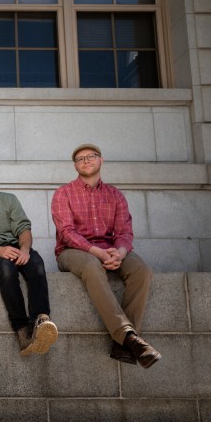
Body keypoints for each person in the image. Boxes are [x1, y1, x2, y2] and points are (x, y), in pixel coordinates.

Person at [51, 143, 161, 368]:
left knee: (141, 270)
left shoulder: (115, 195)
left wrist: (120, 252)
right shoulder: (63, 193)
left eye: (91, 156)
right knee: (92, 266)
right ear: (75, 166)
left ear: (101, 160)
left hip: (110, 248)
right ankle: (128, 336)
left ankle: (123, 345)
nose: (86, 161)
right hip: (74, 252)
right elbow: (67, 233)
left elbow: (124, 231)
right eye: (80, 159)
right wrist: (98, 253)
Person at [0, 154, 57, 356]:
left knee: (35, 262)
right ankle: (22, 330)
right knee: (6, 269)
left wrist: (24, 250)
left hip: (16, 248)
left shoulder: (8, 199)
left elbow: (23, 228)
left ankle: (41, 320)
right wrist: (0, 251)